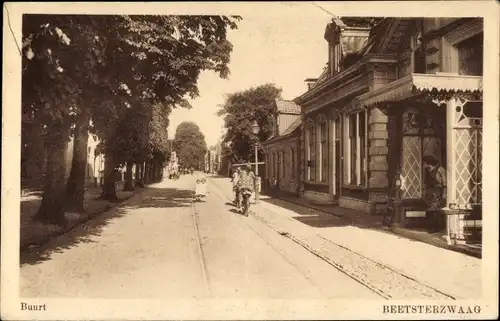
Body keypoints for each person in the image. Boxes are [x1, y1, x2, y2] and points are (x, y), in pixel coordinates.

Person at [423, 155, 447, 232]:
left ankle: (436, 227)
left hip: (437, 192)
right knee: (430, 210)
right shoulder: (427, 171)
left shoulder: (440, 169)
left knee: (436, 210)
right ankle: (431, 227)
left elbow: (445, 183)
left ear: (428, 162)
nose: (424, 165)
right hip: (430, 192)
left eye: (424, 163)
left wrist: (444, 194)